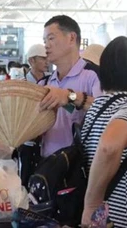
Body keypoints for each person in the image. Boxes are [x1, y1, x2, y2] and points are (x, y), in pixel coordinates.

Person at [81, 37, 127, 228]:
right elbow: (109, 146)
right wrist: (92, 204)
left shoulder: (97, 107)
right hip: (122, 215)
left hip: (101, 217)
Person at [39, 15, 101, 157]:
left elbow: (106, 112)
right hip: (47, 167)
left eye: (51, 38)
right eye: (44, 41)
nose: (46, 45)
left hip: (81, 168)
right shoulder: (44, 83)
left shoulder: (93, 76)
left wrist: (69, 96)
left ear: (72, 38)